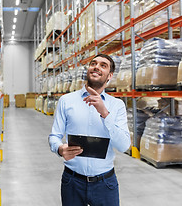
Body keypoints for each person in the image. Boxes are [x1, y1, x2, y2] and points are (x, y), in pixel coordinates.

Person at [48, 53, 130, 206]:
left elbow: (124, 145)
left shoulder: (117, 105)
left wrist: (105, 113)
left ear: (109, 76)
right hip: (72, 182)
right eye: (94, 63)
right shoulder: (67, 101)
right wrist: (59, 149)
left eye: (103, 65)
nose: (97, 67)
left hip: (105, 183)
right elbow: (54, 135)